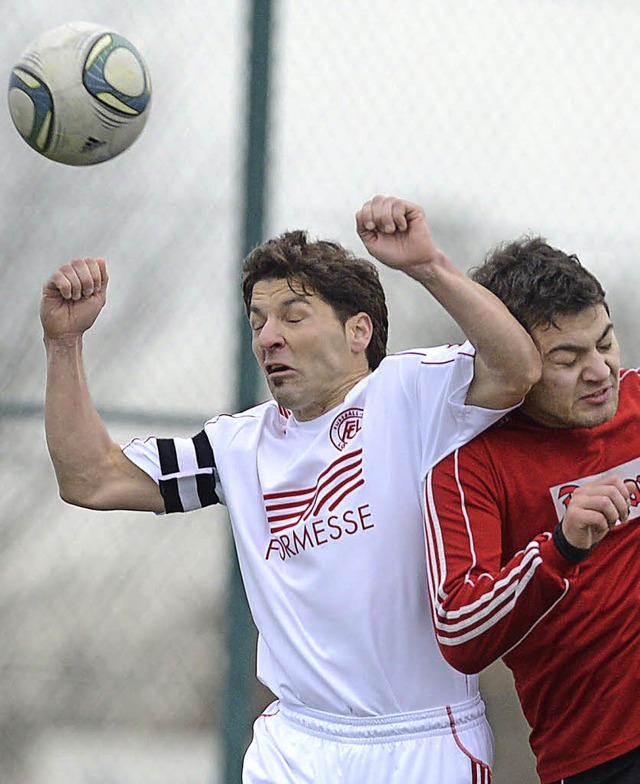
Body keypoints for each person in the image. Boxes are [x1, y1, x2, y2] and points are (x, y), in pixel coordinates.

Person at [41, 195, 540, 784]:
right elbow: (91, 477)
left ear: (360, 331)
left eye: (294, 316)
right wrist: (63, 343)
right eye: (257, 322)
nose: (268, 337)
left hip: (422, 738)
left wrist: (427, 264)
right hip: (297, 744)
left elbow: (518, 368)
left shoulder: (415, 394)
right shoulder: (237, 446)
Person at [427, 236, 640, 784]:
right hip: (600, 756)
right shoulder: (470, 468)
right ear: (514, 363)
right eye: (567, 359)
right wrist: (561, 546)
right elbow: (460, 631)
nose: (600, 371)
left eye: (606, 343)